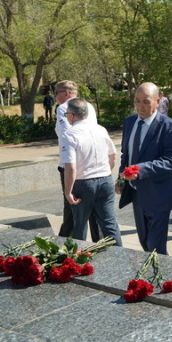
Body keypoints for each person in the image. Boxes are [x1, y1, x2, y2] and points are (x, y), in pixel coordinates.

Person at [118, 83, 172, 254]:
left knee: (156, 248)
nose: (140, 106)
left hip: (158, 196)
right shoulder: (129, 122)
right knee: (145, 243)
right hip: (137, 195)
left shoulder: (169, 126)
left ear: (158, 100)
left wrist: (139, 170)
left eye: (146, 102)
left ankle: (162, 279)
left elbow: (170, 160)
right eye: (137, 101)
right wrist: (121, 179)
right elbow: (126, 154)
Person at [60, 98, 121, 244]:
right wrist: (105, 172)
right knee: (110, 224)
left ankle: (77, 264)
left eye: (67, 114)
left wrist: (68, 192)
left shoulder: (69, 135)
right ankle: (122, 256)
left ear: (72, 115)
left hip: (83, 184)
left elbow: (71, 166)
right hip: (105, 180)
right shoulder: (101, 129)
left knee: (79, 226)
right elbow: (113, 155)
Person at [55, 80, 101, 240]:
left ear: (66, 93)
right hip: (91, 162)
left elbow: (67, 133)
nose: (54, 97)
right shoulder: (89, 106)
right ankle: (99, 242)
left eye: (56, 93)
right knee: (94, 210)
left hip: (71, 163)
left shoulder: (63, 108)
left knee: (72, 207)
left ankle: (66, 243)